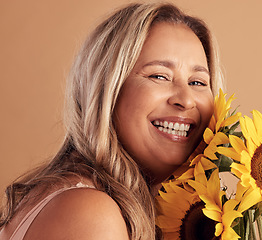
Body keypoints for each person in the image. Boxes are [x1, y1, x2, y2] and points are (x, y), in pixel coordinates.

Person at [0, 2, 223, 239]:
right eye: (159, 76)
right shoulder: (91, 214)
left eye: (197, 82)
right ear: (107, 90)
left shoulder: (94, 201)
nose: (186, 100)